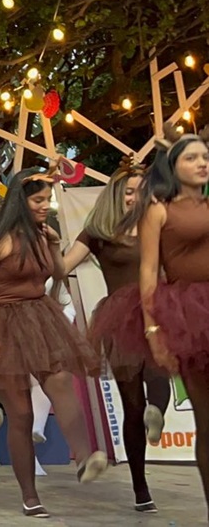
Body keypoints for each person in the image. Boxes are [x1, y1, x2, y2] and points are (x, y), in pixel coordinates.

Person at [0, 167, 107, 518]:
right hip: (2, 323)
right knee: (21, 413)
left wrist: (54, 243)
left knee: (61, 381)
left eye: (47, 199)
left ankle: (85, 458)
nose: (46, 205)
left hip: (40, 318)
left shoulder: (41, 235)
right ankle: (29, 495)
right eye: (39, 200)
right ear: (21, 201)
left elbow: (56, 272)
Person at [59, 159, 166, 512]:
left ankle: (158, 412)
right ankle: (141, 488)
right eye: (128, 192)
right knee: (131, 406)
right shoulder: (98, 232)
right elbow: (63, 266)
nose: (134, 198)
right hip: (119, 320)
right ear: (116, 195)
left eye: (140, 192)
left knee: (158, 376)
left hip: (158, 312)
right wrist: (41, 243)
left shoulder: (158, 225)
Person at [132, 131, 209, 522]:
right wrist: (153, 330)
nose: (201, 163)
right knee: (208, 418)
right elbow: (148, 272)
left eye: (205, 156)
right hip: (190, 315)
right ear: (174, 167)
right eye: (191, 157)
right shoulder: (159, 210)